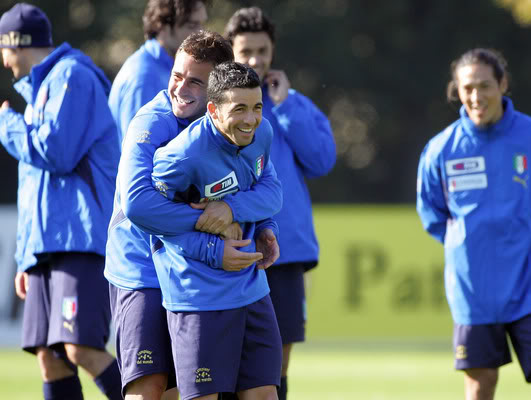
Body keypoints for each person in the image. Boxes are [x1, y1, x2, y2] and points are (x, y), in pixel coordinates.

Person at [105, 31, 282, 400]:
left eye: (195, 82)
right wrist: (209, 227)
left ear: (218, 88)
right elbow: (139, 205)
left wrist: (258, 223)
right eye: (177, 76)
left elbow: (260, 183)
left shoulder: (239, 126)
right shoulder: (151, 124)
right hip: (141, 267)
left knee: (186, 390)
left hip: (195, 272)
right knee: (150, 387)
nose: (181, 89)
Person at [0, 3, 121, 400]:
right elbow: (33, 187)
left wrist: (7, 123)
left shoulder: (73, 76)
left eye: (2, 49)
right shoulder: (40, 92)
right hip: (46, 247)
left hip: (79, 240)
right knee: (49, 358)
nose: (3, 61)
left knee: (80, 348)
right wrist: (25, 254)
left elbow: (57, 152)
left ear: (15, 43)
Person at [224, 7, 336, 400]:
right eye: (246, 51)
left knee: (276, 364)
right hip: (232, 249)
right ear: (231, 52)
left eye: (262, 50)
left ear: (273, 51)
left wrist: (285, 105)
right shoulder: (217, 108)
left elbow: (322, 160)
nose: (255, 60)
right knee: (226, 361)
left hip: (284, 251)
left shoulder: (293, 103)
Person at [417, 48, 531, 400]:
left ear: (503, 84)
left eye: (485, 86)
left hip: (530, 284)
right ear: (457, 90)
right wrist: (466, 246)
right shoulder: (441, 149)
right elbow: (432, 214)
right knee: (480, 385)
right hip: (473, 292)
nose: (476, 96)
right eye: (467, 88)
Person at [108, 0, 209, 147]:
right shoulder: (143, 77)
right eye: (192, 25)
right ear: (163, 26)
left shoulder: (170, 67)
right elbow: (139, 149)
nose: (201, 34)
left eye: (202, 24)